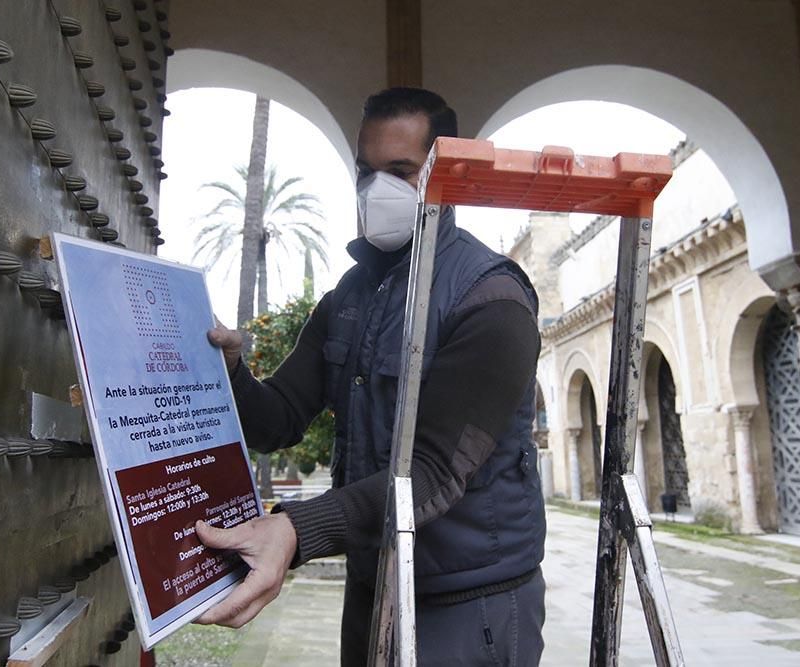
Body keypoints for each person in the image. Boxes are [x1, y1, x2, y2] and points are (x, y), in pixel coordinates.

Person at [197, 87, 547, 666]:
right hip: (373, 584)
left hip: (467, 604)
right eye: (366, 171)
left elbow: (432, 474)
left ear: (447, 174)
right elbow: (279, 417)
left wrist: (294, 529)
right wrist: (229, 370)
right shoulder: (349, 297)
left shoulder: (491, 299)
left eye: (401, 171)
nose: (376, 189)